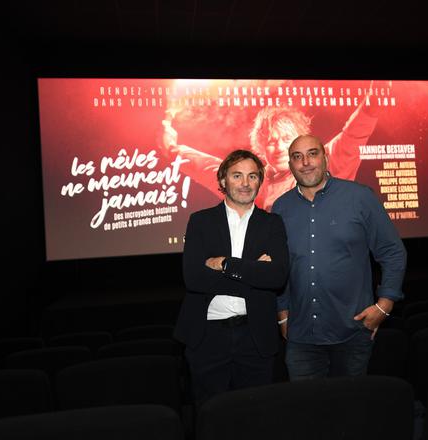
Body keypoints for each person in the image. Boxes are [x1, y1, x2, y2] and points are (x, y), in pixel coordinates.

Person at [271, 134, 406, 380]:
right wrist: (282, 316)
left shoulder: (360, 197)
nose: (306, 162)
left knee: (350, 411)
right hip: (301, 338)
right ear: (289, 165)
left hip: (352, 331)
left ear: (326, 157)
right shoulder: (280, 208)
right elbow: (280, 267)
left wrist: (385, 305)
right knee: (307, 412)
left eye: (312, 153)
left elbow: (392, 251)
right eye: (297, 157)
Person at [173, 149, 289, 405]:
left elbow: (277, 277)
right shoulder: (200, 221)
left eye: (252, 176)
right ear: (223, 180)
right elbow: (194, 278)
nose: (245, 183)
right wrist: (253, 272)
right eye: (237, 176)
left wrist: (225, 264)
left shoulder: (272, 224)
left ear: (260, 181)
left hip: (256, 337)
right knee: (210, 415)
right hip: (207, 337)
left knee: (256, 416)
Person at [159, 87, 379, 211]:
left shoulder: (321, 165)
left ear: (300, 140)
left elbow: (352, 136)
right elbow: (206, 165)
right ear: (261, 145)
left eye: (284, 138)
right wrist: (172, 149)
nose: (277, 146)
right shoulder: (254, 179)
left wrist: (373, 102)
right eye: (269, 140)